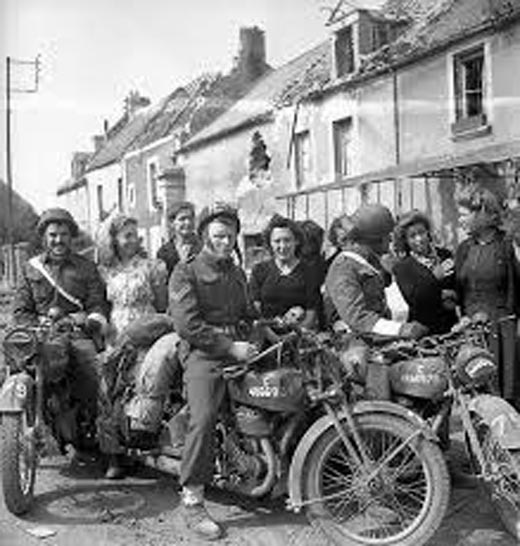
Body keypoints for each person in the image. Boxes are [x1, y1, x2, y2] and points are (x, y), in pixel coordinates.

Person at [169, 202, 258, 540]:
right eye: (218, 235)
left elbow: (248, 312)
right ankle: (192, 499)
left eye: (230, 235)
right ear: (206, 234)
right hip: (204, 353)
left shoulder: (236, 271)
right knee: (203, 416)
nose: (225, 241)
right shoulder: (186, 271)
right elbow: (187, 325)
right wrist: (228, 347)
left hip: (239, 347)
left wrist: (266, 327)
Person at [13, 207, 109, 448]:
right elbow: (20, 311)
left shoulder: (86, 268)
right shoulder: (30, 269)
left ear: (71, 236)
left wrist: (87, 320)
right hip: (41, 335)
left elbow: (98, 304)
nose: (58, 240)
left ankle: (106, 440)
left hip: (76, 333)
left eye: (64, 234)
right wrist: (36, 324)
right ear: (44, 237)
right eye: (53, 234)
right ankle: (13, 427)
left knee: (96, 375)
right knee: (16, 366)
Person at [96, 213, 173, 479]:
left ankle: (144, 441)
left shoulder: (153, 267)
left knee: (143, 386)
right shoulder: (105, 271)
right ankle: (114, 456)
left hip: (148, 332)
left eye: (134, 234)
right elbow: (102, 307)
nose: (133, 239)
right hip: (116, 336)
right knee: (109, 391)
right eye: (126, 235)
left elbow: (163, 306)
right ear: (114, 240)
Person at [325, 204, 429, 339]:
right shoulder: (344, 268)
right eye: (387, 236)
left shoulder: (371, 262)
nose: (391, 240)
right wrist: (401, 329)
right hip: (354, 346)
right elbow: (357, 317)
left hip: (380, 338)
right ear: (375, 240)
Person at [455, 189, 519, 406]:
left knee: (506, 392)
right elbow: (459, 290)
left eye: (464, 214)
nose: (460, 219)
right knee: (478, 395)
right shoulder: (464, 249)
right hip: (473, 333)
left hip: (504, 330)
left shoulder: (508, 245)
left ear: (484, 214)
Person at [250, 215, 321, 329]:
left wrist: (294, 337)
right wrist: (272, 337)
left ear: (296, 241)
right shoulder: (259, 270)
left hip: (299, 337)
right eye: (277, 241)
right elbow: (255, 311)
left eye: (287, 240)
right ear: (270, 243)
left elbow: (311, 314)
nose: (282, 246)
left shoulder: (309, 272)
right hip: (265, 337)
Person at [392, 210, 458, 335]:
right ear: (405, 241)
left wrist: (452, 295)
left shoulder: (445, 255)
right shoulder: (402, 268)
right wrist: (435, 279)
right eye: (412, 236)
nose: (419, 239)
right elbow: (416, 301)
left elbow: (457, 286)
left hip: (452, 327)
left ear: (428, 232)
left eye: (422, 233)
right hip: (424, 331)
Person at [156, 201, 200, 278]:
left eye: (190, 218)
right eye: (182, 219)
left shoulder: (203, 248)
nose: (188, 222)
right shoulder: (164, 252)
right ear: (172, 223)